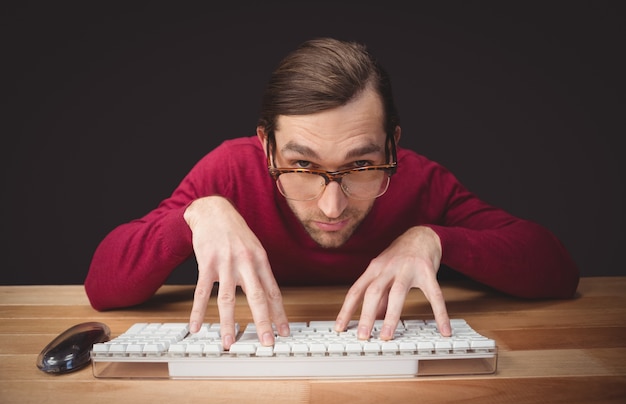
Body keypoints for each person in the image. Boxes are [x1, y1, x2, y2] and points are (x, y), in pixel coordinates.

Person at [84, 37, 579, 349]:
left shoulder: (421, 180)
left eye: (362, 165)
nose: (331, 206)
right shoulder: (229, 172)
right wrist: (196, 214)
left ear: (393, 145)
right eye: (301, 165)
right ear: (266, 146)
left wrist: (436, 239)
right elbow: (104, 286)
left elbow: (555, 271)